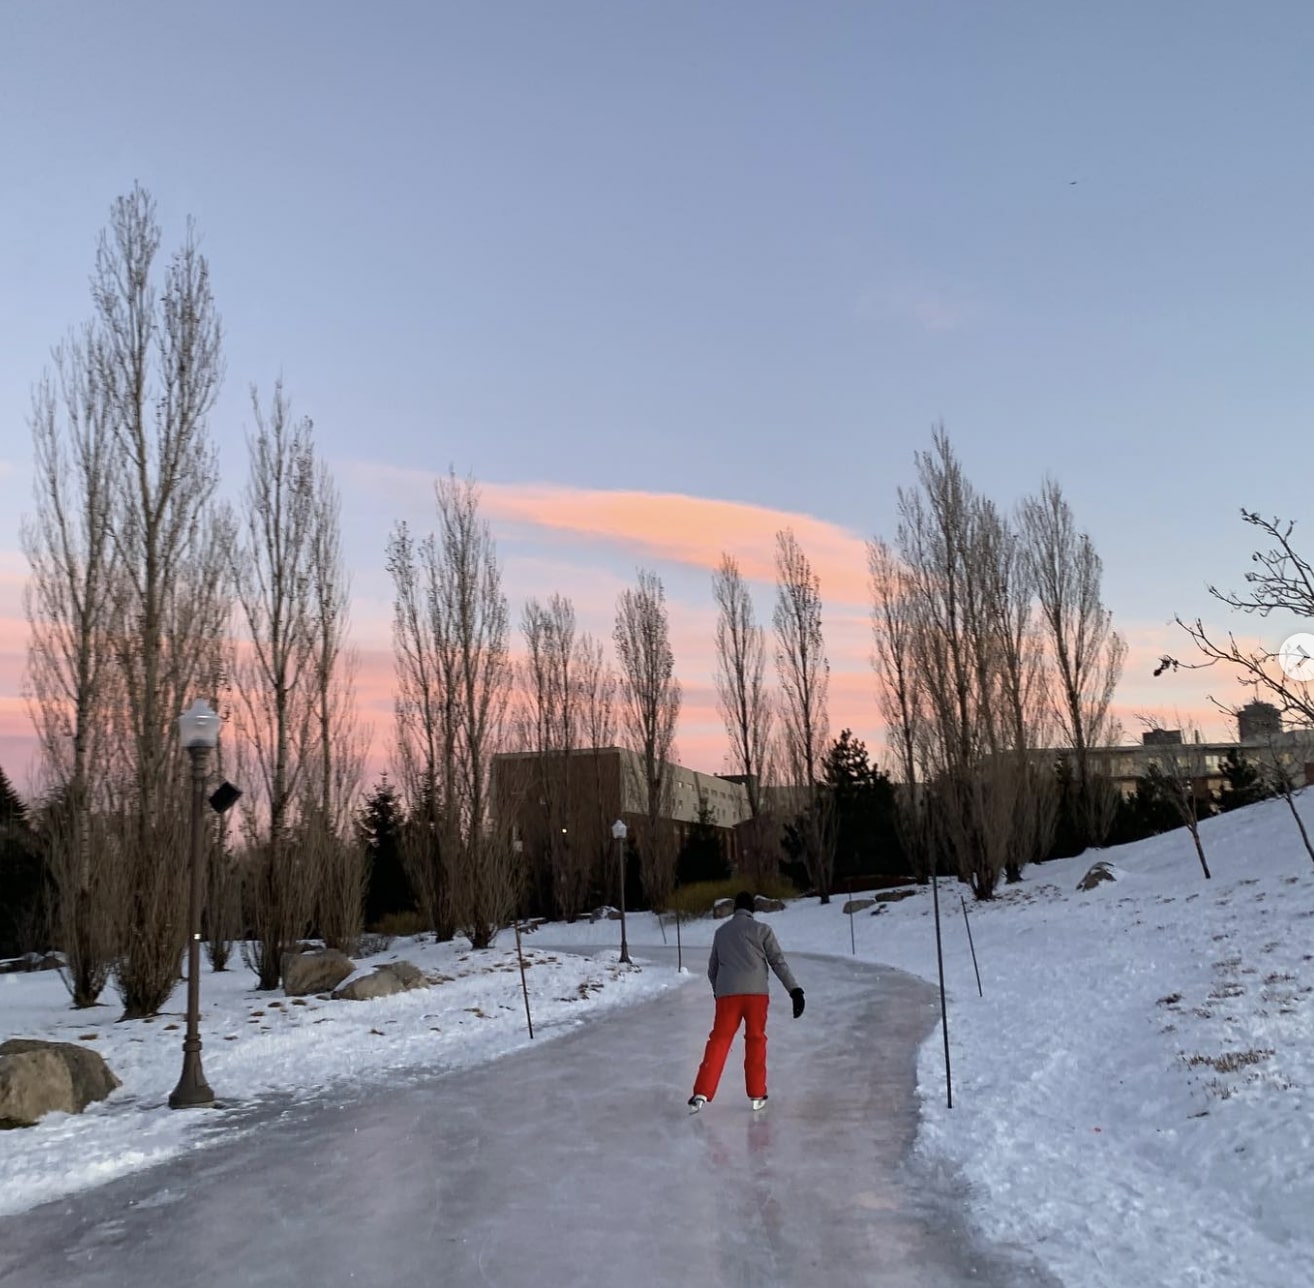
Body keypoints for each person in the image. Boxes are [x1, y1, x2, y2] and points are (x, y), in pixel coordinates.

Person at [688, 890, 804, 1112]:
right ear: (752, 909)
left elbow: (712, 970)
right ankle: (757, 1093)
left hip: (727, 996)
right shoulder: (762, 930)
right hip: (757, 995)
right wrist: (794, 991)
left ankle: (701, 1092)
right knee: (756, 1040)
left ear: (735, 909)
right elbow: (778, 962)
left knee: (719, 1041)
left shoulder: (721, 933)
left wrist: (718, 992)